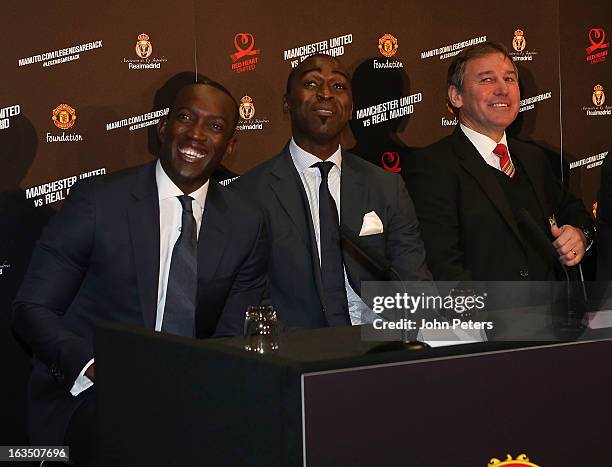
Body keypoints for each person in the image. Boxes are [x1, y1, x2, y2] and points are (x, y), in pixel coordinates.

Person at [12, 80, 268, 465]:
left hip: (189, 390)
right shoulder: (98, 202)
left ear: (229, 146)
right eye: (186, 117)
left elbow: (232, 334)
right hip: (93, 396)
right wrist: (97, 368)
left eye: (215, 127)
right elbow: (31, 309)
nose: (196, 134)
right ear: (163, 128)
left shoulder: (246, 223)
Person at [232, 54, 431, 329]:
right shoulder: (250, 193)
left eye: (338, 86)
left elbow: (414, 283)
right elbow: (249, 299)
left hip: (376, 343)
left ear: (351, 109)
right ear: (286, 102)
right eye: (312, 83)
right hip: (296, 349)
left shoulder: (386, 187)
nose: (326, 94)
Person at [406, 42, 593, 281]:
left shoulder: (534, 158)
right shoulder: (432, 166)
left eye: (510, 79)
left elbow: (577, 214)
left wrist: (579, 235)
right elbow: (440, 264)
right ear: (456, 96)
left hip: (551, 314)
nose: (503, 89)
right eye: (487, 80)